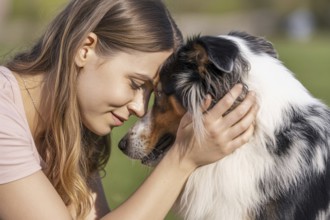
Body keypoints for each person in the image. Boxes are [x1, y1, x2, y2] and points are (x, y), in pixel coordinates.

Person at [0, 0, 258, 219]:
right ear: (85, 48)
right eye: (136, 84)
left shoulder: (71, 130)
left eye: (150, 94)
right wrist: (182, 159)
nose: (139, 107)